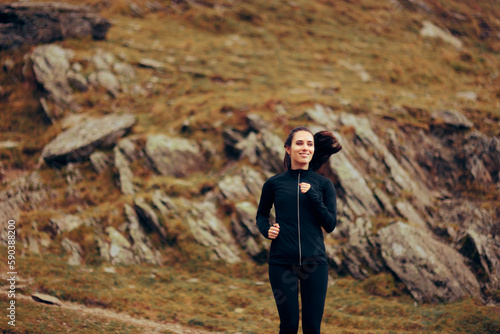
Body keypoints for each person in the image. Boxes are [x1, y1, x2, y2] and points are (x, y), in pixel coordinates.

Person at [256, 126, 342, 334]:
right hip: (281, 263)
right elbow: (261, 215)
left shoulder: (323, 185)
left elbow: (330, 224)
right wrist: (267, 230)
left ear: (313, 150)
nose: (305, 148)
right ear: (288, 148)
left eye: (309, 144)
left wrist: (313, 196)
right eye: (299, 143)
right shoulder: (274, 184)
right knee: (289, 326)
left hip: (315, 264)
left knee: (312, 328)